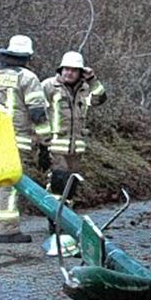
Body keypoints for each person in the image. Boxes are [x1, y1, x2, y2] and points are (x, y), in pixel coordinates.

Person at [0, 35, 52, 243]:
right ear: (28, 56)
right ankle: (8, 230)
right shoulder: (28, 78)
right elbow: (37, 112)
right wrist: (46, 142)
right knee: (10, 183)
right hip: (14, 139)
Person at [40, 50, 106, 199]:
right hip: (55, 146)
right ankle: (53, 220)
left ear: (80, 72)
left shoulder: (85, 89)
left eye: (74, 70)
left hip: (76, 148)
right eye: (66, 69)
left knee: (71, 186)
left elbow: (100, 99)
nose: (69, 73)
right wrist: (42, 146)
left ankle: (66, 218)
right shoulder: (48, 86)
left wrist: (92, 79)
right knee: (58, 183)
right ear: (61, 69)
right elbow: (37, 115)